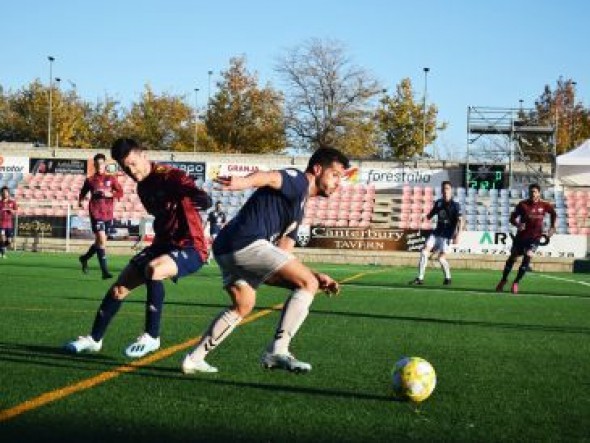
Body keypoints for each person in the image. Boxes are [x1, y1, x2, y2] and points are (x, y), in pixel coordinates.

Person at [182, 147, 348, 374]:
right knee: (307, 284)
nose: (339, 182)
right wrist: (244, 182)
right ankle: (278, 349)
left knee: (243, 305)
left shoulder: (298, 208)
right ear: (318, 170)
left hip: (226, 248)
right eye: (335, 175)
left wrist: (313, 275)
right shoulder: (298, 180)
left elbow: (283, 253)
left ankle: (194, 359)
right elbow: (270, 177)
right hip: (245, 242)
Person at [65, 138, 212, 358]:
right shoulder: (142, 187)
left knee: (155, 269)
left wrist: (202, 198)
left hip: (190, 245)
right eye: (126, 167)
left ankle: (152, 336)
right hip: (162, 244)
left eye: (133, 163)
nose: (131, 170)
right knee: (118, 290)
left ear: (144, 155)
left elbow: (198, 195)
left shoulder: (170, 175)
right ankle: (94, 339)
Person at [495, 183, 556, 294]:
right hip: (521, 237)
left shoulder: (545, 205)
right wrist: (518, 224)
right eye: (530, 191)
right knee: (512, 258)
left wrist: (552, 227)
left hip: (535, 238)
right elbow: (512, 218)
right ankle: (503, 280)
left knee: (528, 255)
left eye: (534, 191)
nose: (532, 193)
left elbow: (553, 213)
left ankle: (516, 282)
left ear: (539, 193)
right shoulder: (522, 204)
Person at [78, 153, 124, 279]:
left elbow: (120, 192)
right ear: (94, 165)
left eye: (101, 163)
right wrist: (81, 201)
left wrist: (110, 194)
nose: (99, 166)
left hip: (108, 214)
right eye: (97, 164)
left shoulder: (111, 178)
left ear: (105, 164)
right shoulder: (90, 180)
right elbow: (82, 192)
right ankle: (104, 271)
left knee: (99, 242)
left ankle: (84, 258)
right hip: (96, 212)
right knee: (102, 241)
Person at [410, 181, 463, 286]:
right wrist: (423, 218)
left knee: (441, 258)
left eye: (447, 188)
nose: (445, 191)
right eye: (443, 189)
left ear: (451, 190)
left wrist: (458, 234)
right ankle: (420, 278)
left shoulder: (455, 205)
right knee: (424, 252)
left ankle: (448, 277)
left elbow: (461, 220)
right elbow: (430, 215)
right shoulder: (438, 203)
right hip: (436, 233)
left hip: (447, 235)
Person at [0, 186, 18, 258]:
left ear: (8, 193)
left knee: (9, 241)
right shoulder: (0, 203)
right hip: (1, 224)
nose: (5, 194)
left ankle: (1, 248)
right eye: (3, 192)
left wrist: (11, 210)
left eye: (6, 192)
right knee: (2, 238)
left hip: (9, 224)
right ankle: (3, 253)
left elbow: (16, 212)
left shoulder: (12, 202)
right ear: (1, 193)